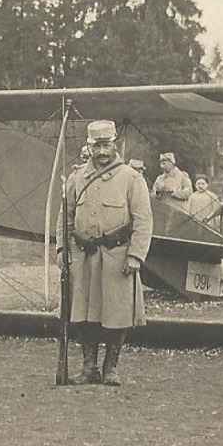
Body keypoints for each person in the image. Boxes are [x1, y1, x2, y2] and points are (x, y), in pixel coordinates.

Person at [62, 119, 153, 387]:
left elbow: (143, 220)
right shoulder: (77, 177)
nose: (102, 152)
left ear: (114, 145)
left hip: (117, 256)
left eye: (106, 145)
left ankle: (110, 367)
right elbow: (65, 217)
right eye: (96, 146)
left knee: (117, 313)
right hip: (82, 256)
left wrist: (136, 255)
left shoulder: (131, 178)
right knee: (83, 313)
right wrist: (61, 249)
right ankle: (89, 367)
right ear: (89, 147)